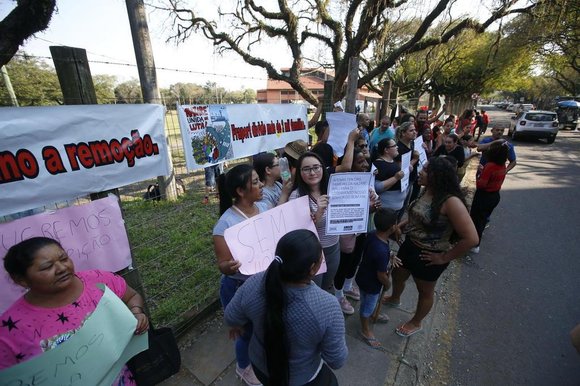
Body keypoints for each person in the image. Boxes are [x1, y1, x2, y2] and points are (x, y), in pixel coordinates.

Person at [0, 237, 148, 385]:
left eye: (64, 259)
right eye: (47, 267)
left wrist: (136, 313)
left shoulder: (98, 281)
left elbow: (132, 296)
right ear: (21, 280)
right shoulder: (10, 328)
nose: (62, 268)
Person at [224, 230, 348, 386]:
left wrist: (240, 324)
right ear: (312, 268)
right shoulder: (327, 306)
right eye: (320, 255)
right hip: (300, 378)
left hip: (260, 368)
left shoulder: (254, 283)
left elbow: (230, 317)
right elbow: (337, 360)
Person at [383, 156, 478, 337]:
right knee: (398, 275)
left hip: (430, 256)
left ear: (438, 176)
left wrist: (443, 258)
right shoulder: (427, 191)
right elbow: (415, 216)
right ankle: (395, 298)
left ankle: (416, 322)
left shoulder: (451, 202)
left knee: (424, 291)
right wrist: (399, 227)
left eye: (425, 170)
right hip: (410, 245)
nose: (420, 172)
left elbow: (471, 238)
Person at [213, 164, 267, 386]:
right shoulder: (225, 225)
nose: (261, 184)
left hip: (263, 282)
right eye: (255, 182)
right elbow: (222, 265)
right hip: (238, 288)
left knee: (261, 326)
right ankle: (243, 367)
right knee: (244, 332)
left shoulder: (264, 207)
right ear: (240, 191)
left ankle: (258, 356)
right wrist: (230, 266)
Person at [288, 152, 339, 291]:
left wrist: (368, 205)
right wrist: (319, 212)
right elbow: (300, 234)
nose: (312, 172)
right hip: (312, 255)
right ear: (300, 172)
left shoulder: (334, 189)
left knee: (327, 286)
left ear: (323, 168)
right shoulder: (296, 196)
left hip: (334, 248)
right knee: (313, 291)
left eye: (316, 167)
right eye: (306, 169)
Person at [333, 147, 374, 314]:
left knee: (356, 259)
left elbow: (370, 204)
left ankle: (348, 286)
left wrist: (372, 207)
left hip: (361, 230)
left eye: (366, 161)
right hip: (346, 233)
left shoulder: (366, 181)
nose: (365, 165)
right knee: (344, 263)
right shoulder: (339, 184)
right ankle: (338, 295)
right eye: (360, 162)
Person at [356, 208, 401, 350]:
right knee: (366, 306)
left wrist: (391, 256)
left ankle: (373, 313)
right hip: (372, 285)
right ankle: (365, 329)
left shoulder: (372, 235)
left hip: (363, 276)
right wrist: (387, 285)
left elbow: (375, 255)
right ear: (392, 227)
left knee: (368, 302)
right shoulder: (381, 250)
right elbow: (381, 275)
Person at [469, 141, 509, 254]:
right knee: (482, 219)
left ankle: (474, 243)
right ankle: (475, 242)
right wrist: (484, 170)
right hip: (494, 196)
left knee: (477, 220)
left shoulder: (490, 166)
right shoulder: (502, 165)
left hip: (484, 197)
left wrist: (478, 176)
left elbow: (482, 184)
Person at [373, 138, 406, 216]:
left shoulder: (392, 161)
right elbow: (377, 187)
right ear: (386, 150)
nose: (397, 147)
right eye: (394, 146)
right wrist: (395, 178)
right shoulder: (379, 164)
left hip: (394, 210)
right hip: (386, 211)